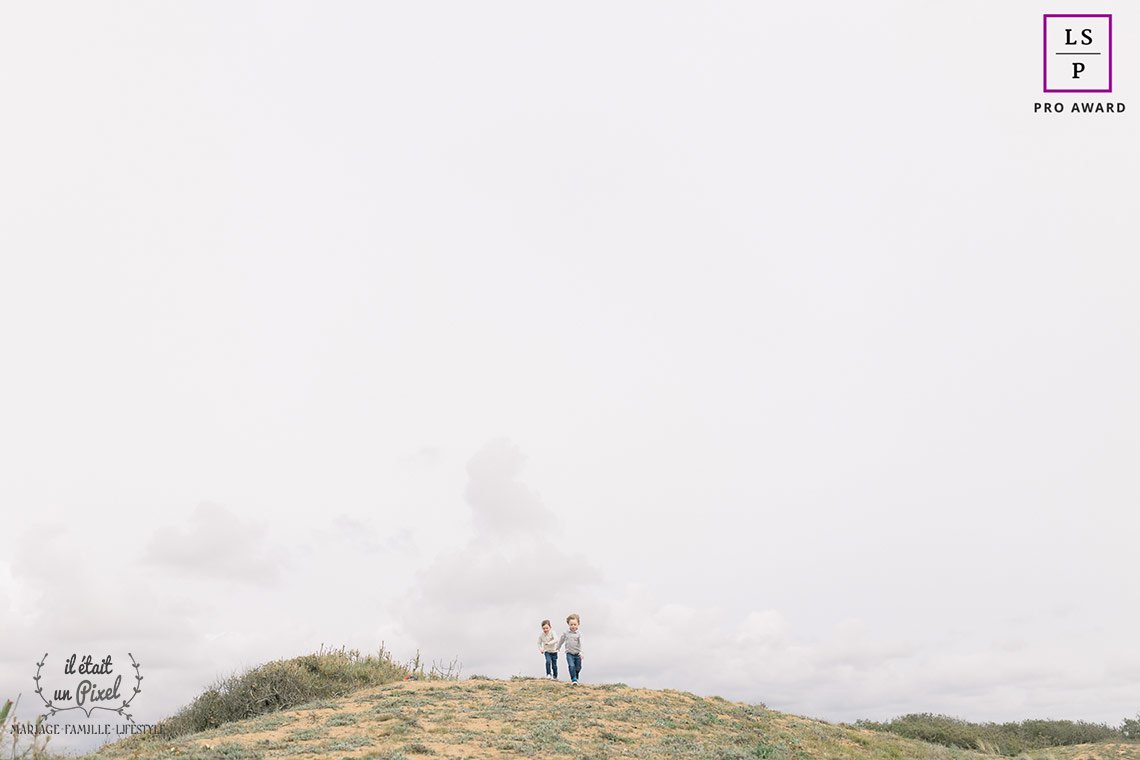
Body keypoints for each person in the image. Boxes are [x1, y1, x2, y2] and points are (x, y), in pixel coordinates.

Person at [556, 613, 583, 684]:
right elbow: (561, 640)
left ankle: (576, 675)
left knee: (578, 668)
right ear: (568, 624)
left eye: (575, 624)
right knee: (571, 665)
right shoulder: (566, 633)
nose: (573, 626)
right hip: (569, 653)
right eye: (571, 624)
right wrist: (558, 647)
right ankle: (573, 679)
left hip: (577, 654)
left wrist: (581, 652)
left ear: (578, 624)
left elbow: (581, 643)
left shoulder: (579, 634)